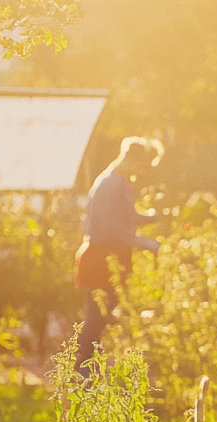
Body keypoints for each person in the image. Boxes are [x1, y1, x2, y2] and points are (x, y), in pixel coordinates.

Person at [73, 136, 162, 376]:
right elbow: (113, 232)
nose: (143, 172)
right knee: (97, 317)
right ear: (134, 159)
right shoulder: (113, 184)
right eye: (143, 165)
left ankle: (87, 370)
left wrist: (155, 216)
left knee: (101, 316)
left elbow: (127, 217)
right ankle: (81, 371)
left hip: (108, 258)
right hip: (101, 258)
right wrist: (148, 243)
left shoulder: (118, 181)